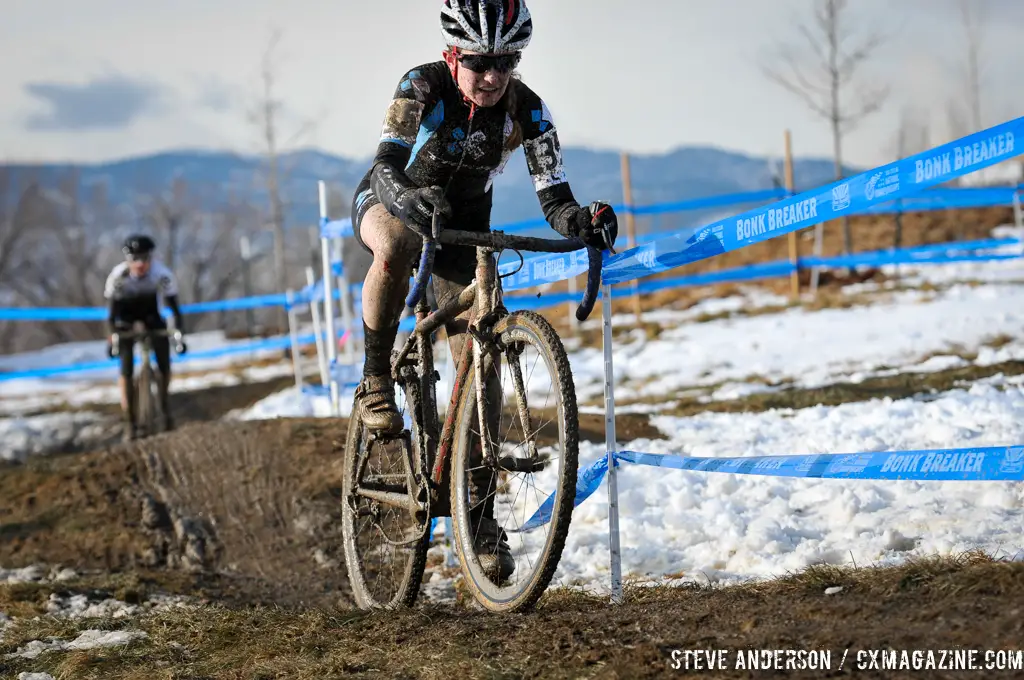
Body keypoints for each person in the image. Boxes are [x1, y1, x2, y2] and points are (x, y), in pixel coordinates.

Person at [350, 0, 619, 581]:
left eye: (506, 61)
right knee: (394, 245)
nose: (494, 77)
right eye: (479, 63)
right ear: (455, 55)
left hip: (463, 226)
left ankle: (478, 519)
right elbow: (387, 163)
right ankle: (374, 377)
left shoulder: (528, 110)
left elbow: (555, 199)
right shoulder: (420, 85)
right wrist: (411, 203)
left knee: (481, 368)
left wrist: (584, 221)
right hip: (393, 199)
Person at [104, 234, 187, 441]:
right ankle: (130, 419)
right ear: (127, 260)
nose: (140, 264)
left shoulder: (162, 274)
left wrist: (179, 336)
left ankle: (165, 406)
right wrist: (112, 337)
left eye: (144, 258)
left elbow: (175, 309)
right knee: (126, 366)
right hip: (126, 316)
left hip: (151, 314)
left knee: (164, 359)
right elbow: (111, 315)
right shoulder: (118, 277)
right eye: (135, 259)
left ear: (151, 258)